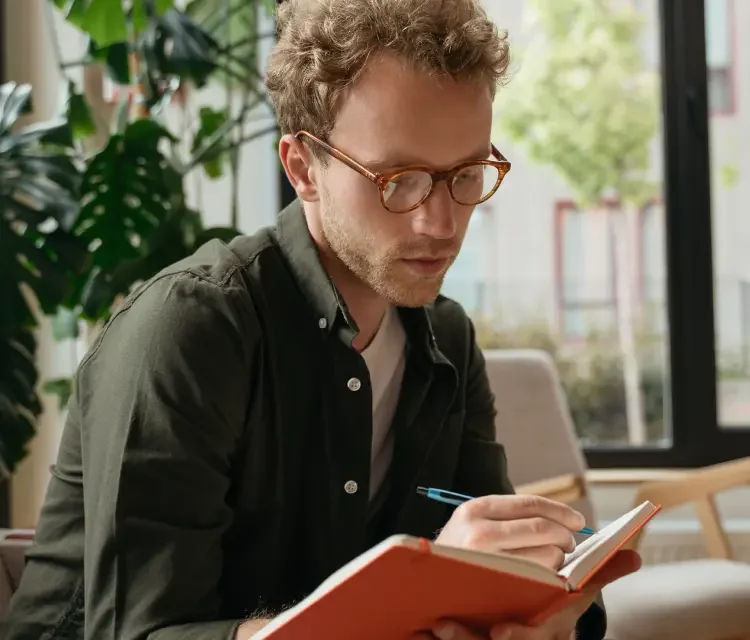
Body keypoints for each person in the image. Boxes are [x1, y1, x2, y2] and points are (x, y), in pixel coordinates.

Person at [2, 0, 640, 638]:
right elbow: (143, 633)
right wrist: (402, 604)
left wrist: (539, 614)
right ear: (303, 167)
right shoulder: (191, 328)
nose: (441, 223)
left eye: (467, 175)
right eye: (399, 179)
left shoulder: (445, 341)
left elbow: (498, 575)